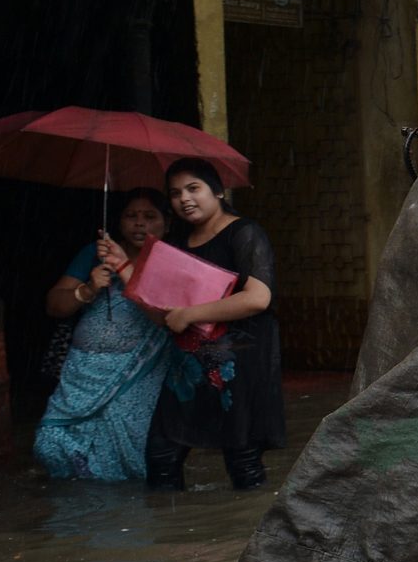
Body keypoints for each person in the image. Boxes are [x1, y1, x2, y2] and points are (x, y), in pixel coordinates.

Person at [102, 159, 283, 490]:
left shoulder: (245, 233)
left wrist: (190, 313)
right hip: (188, 368)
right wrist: (123, 266)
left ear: (218, 191)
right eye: (175, 193)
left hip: (239, 368)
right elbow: (163, 315)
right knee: (161, 456)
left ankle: (254, 519)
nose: (184, 198)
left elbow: (258, 298)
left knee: (242, 461)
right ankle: (169, 523)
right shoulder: (179, 243)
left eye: (193, 188)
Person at [33, 188, 173, 481]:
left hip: (138, 374)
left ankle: (123, 508)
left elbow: (165, 317)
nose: (139, 223)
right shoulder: (94, 255)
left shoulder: (171, 262)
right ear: (118, 222)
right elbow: (54, 306)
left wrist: (123, 268)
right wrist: (88, 289)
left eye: (150, 216)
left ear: (167, 224)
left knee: (127, 453)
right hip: (82, 373)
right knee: (50, 444)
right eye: (131, 216)